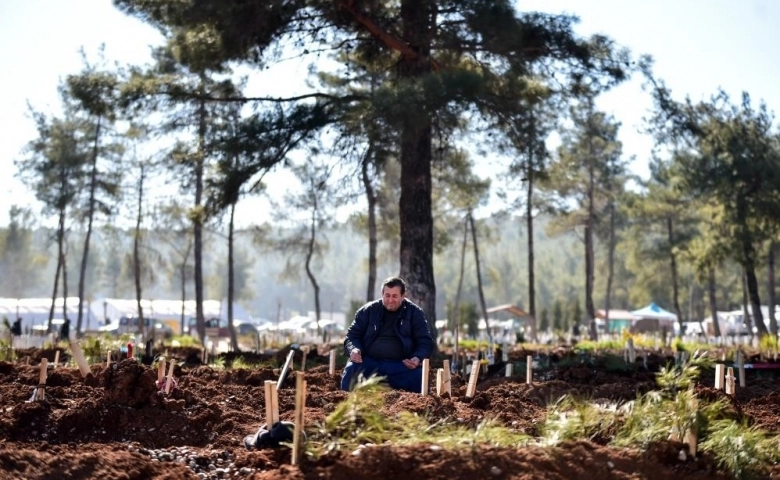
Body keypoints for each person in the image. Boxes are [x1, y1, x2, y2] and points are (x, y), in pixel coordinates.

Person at [341, 276, 434, 393]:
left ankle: (415, 407)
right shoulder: (367, 311)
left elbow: (425, 341)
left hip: (400, 366)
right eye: (387, 295)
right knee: (351, 369)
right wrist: (353, 349)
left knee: (418, 376)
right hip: (369, 363)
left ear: (403, 295)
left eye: (395, 296)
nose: (390, 300)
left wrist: (417, 358)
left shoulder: (415, 313)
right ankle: (344, 403)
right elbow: (352, 336)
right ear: (382, 294)